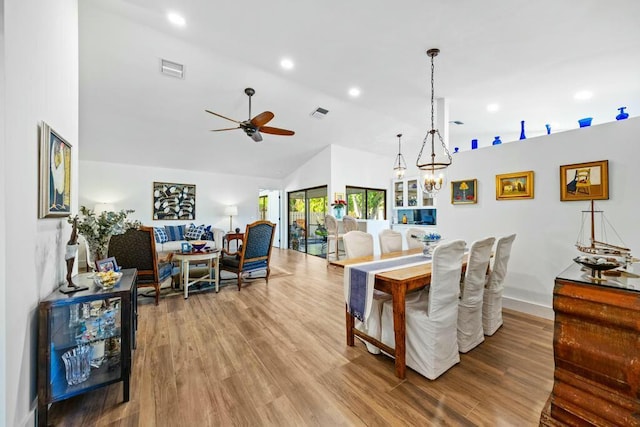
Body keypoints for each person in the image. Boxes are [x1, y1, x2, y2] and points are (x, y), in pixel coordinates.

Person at [65, 216, 79, 287]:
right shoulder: (72, 241)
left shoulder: (73, 242)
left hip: (70, 256)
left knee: (70, 270)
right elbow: (74, 231)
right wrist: (75, 222)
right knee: (69, 270)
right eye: (76, 236)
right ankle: (70, 281)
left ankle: (70, 282)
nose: (77, 237)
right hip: (70, 257)